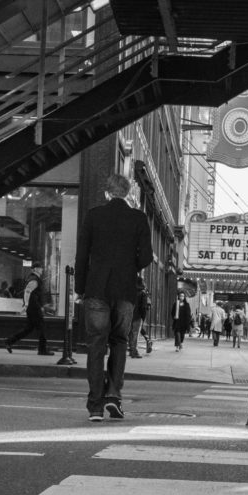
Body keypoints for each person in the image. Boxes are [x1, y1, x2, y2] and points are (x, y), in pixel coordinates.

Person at [74, 172, 153, 422]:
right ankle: (114, 396)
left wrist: (79, 288)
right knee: (119, 342)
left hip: (96, 288)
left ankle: (95, 406)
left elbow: (81, 255)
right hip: (125, 290)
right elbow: (147, 257)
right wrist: (130, 266)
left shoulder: (94, 216)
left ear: (107, 193)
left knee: (96, 345)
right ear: (127, 192)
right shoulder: (138, 218)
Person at [4, 261, 52, 356]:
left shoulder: (35, 278)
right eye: (40, 268)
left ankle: (9, 341)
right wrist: (26, 305)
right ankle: (42, 350)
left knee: (29, 328)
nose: (42, 269)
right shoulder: (34, 279)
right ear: (35, 269)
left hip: (32, 306)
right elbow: (27, 292)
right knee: (41, 327)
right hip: (33, 307)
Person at [128, 276, 152, 358]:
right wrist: (143, 317)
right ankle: (134, 351)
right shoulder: (142, 293)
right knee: (135, 334)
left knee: (130, 333)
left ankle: (131, 350)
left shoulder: (130, 291)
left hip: (129, 315)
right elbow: (143, 307)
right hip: (137, 316)